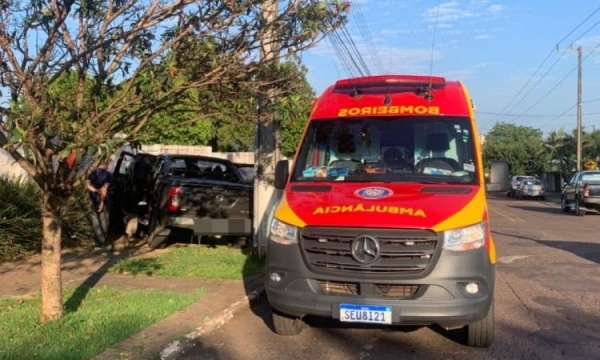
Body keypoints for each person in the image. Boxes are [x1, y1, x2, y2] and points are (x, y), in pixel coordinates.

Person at [86, 161, 113, 251]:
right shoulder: (108, 175)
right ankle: (102, 244)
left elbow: (88, 185)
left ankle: (97, 244)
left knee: (95, 222)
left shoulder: (91, 174)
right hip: (103, 201)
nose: (109, 166)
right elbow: (104, 190)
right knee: (104, 222)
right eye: (108, 164)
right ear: (105, 164)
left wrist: (95, 191)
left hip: (92, 200)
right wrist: (101, 202)